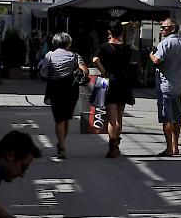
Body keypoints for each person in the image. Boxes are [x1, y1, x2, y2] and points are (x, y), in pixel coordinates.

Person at [149, 18, 181, 157]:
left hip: (166, 85)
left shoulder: (165, 43)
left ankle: (169, 148)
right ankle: (176, 146)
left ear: (172, 28)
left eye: (164, 27)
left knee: (167, 118)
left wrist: (151, 55)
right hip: (179, 86)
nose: (161, 30)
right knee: (177, 117)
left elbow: (157, 60)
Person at [43, 32, 89, 159]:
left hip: (55, 90)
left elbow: (43, 71)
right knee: (66, 117)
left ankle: (61, 145)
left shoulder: (49, 55)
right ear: (68, 43)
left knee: (59, 119)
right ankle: (62, 143)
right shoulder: (75, 56)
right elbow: (85, 71)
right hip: (71, 90)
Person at [92, 21, 135, 158]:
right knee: (119, 117)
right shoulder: (127, 48)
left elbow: (95, 60)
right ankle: (116, 144)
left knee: (112, 119)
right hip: (123, 82)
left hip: (110, 81)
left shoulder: (104, 47)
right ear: (121, 32)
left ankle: (113, 146)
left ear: (109, 33)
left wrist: (104, 72)